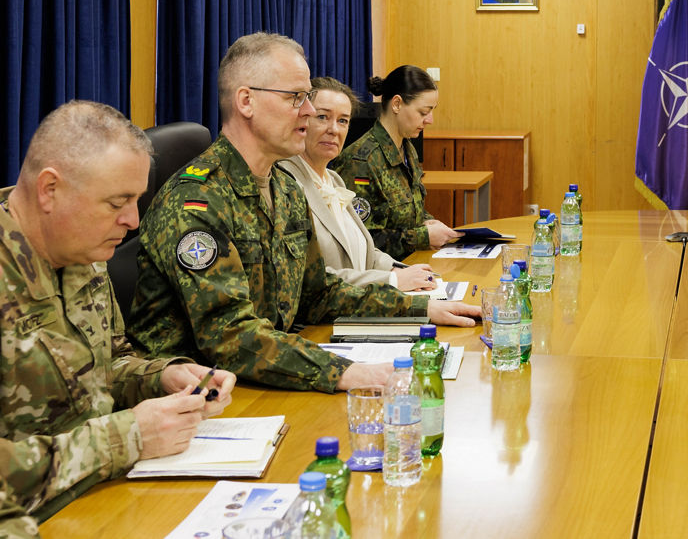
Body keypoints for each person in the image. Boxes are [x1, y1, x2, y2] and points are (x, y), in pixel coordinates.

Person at [129, 33, 480, 393]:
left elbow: (319, 293)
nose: (309, 111)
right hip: (194, 404)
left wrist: (419, 308)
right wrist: (346, 372)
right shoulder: (197, 201)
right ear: (246, 101)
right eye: (296, 97)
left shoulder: (285, 188)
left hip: (262, 383)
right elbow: (230, 336)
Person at [0, 102, 235, 529]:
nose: (133, 220)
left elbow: (109, 362)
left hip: (105, 495)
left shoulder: (84, 255)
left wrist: (163, 375)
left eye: (136, 200)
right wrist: (125, 438)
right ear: (49, 189)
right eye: (117, 202)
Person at [280, 77, 439, 290]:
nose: (334, 129)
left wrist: (398, 270)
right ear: (302, 118)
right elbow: (308, 279)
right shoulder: (284, 184)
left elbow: (365, 251)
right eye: (322, 117)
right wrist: (392, 280)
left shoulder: (333, 179)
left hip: (357, 306)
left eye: (343, 120)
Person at [334, 65, 461, 261]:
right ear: (397, 104)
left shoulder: (407, 148)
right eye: (423, 112)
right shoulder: (362, 161)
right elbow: (362, 240)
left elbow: (409, 211)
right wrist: (423, 236)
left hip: (415, 263)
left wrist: (429, 222)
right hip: (384, 276)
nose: (430, 120)